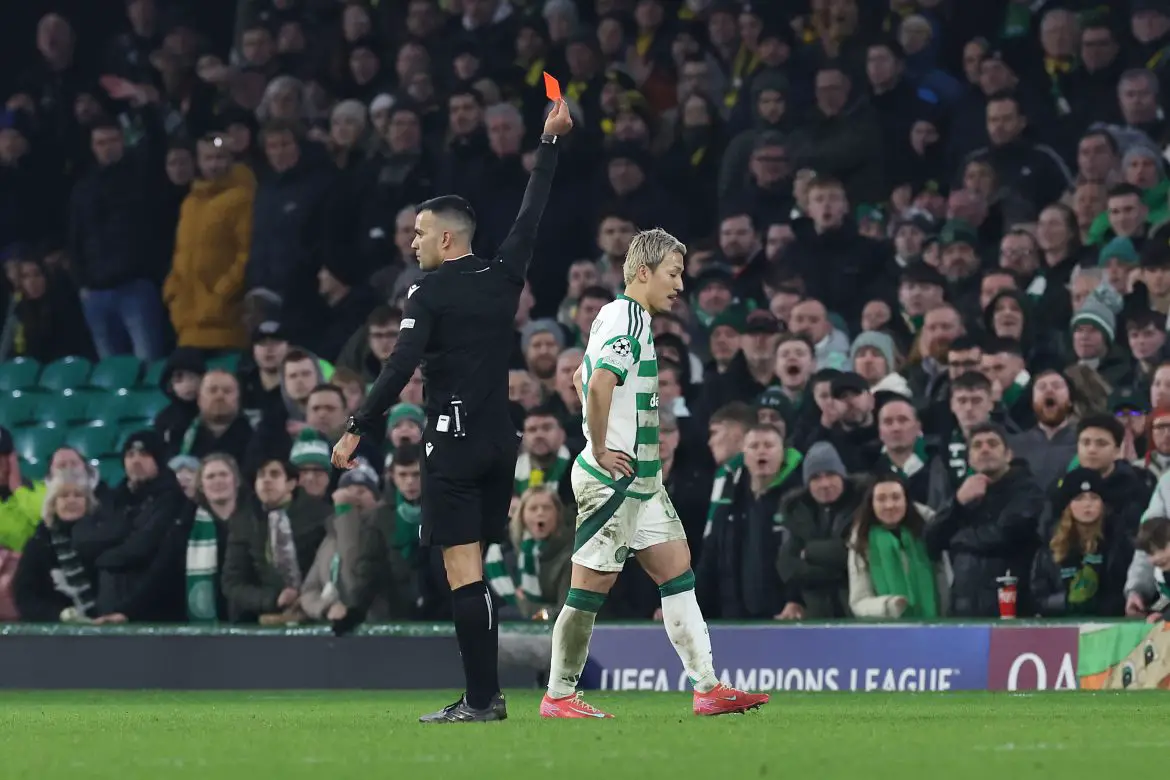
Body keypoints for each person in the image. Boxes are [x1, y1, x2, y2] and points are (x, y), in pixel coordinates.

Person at [330, 98, 574, 723]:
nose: (412, 243)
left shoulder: (428, 290)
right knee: (478, 568)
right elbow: (532, 211)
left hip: (455, 443)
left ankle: (482, 699)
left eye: (418, 233)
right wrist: (550, 142)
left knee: (463, 573)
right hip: (499, 442)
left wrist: (357, 426)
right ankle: (486, 695)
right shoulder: (504, 274)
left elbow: (399, 365)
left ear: (444, 237)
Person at [540, 227, 769, 720]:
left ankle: (707, 688)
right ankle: (558, 695)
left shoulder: (617, 315)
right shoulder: (627, 318)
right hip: (615, 480)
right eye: (673, 273)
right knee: (588, 590)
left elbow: (581, 375)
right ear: (643, 272)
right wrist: (600, 447)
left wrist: (602, 434)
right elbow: (598, 383)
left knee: (677, 572)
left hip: (642, 481)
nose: (680, 285)